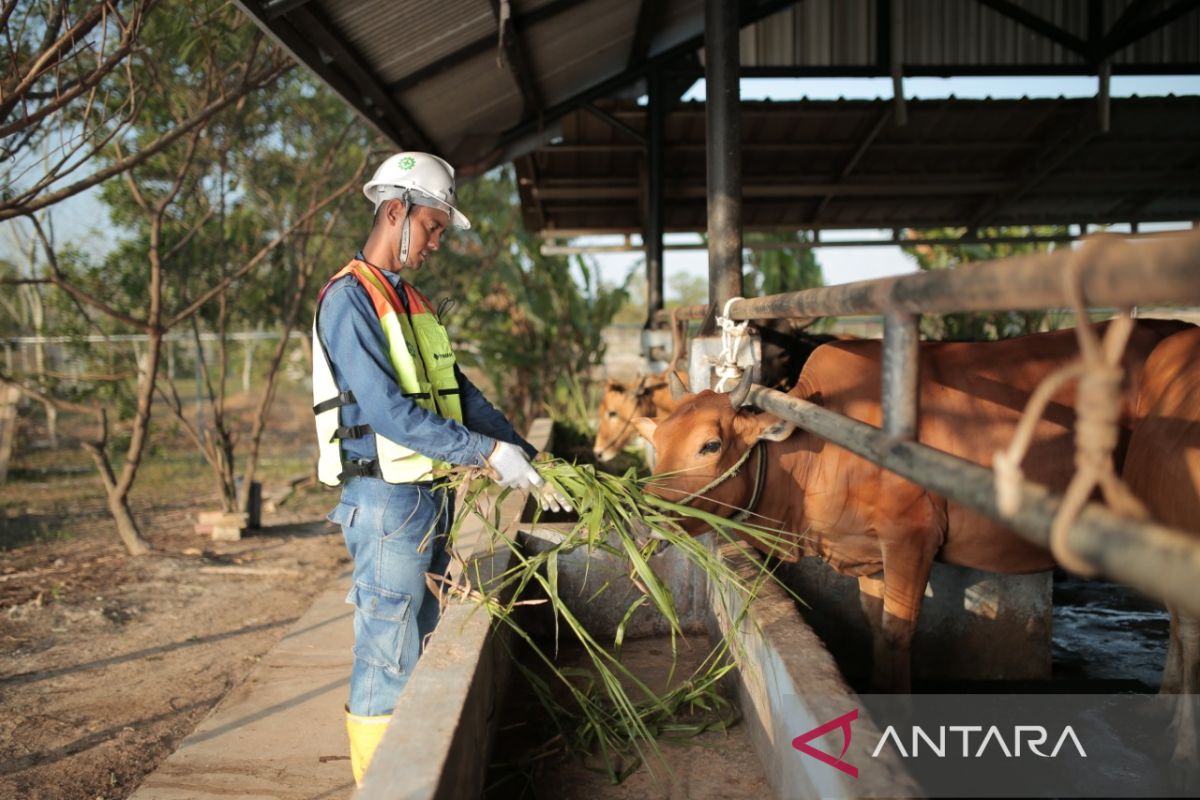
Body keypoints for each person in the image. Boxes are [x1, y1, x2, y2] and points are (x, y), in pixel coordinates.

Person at [311, 152, 571, 786]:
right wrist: (484, 454)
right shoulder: (350, 299)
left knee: (417, 633)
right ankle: (381, 786)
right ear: (395, 213)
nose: (434, 243)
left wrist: (527, 457)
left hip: (427, 497)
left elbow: (462, 395)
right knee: (388, 649)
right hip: (387, 501)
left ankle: (409, 776)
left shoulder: (411, 302)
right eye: (431, 227)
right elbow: (388, 412)